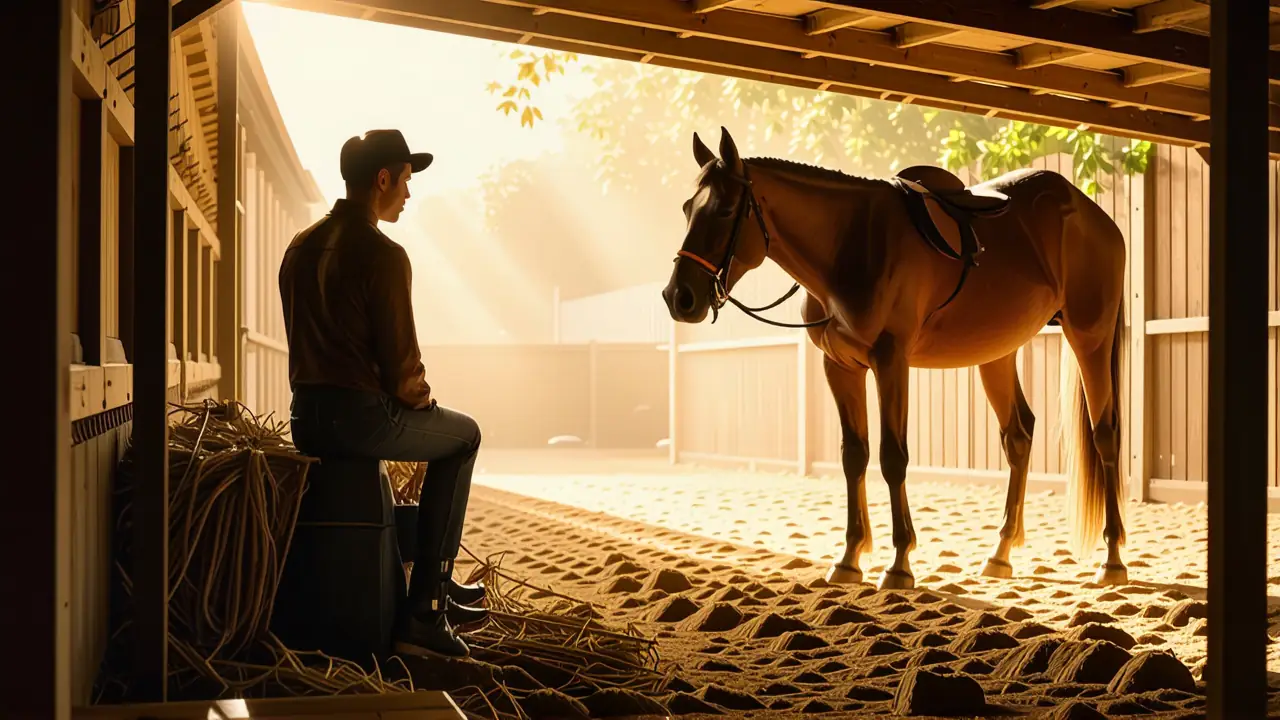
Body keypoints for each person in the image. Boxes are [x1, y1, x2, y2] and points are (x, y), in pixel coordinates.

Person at [279, 129, 484, 659]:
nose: (409, 194)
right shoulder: (385, 254)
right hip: (362, 419)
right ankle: (427, 609)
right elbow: (403, 369)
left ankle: (438, 584)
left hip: (306, 418)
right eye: (407, 180)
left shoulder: (298, 246)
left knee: (440, 438)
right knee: (463, 437)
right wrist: (424, 405)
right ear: (383, 179)